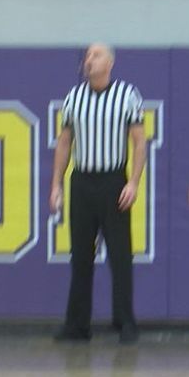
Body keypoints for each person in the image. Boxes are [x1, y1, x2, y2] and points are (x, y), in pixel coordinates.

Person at [50, 44, 146, 344]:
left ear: (111, 62)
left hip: (113, 180)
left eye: (96, 55)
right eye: (88, 56)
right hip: (82, 181)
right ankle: (77, 326)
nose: (89, 60)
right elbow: (64, 143)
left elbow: (139, 142)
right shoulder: (73, 98)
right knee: (80, 256)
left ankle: (125, 322)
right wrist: (57, 184)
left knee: (120, 255)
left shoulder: (127, 95)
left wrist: (133, 182)